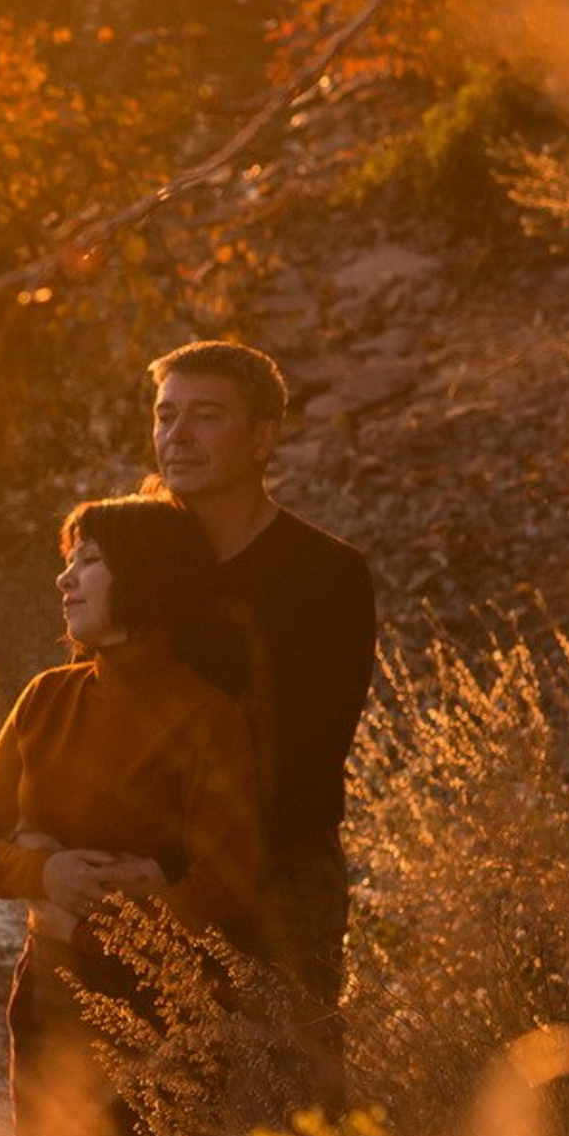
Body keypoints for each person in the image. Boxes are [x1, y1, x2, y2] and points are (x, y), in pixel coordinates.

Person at [0, 495, 262, 1136]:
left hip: (165, 1013)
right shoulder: (46, 699)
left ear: (146, 580)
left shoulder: (207, 717)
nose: (65, 577)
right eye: (68, 559)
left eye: (87, 560)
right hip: (49, 1002)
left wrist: (130, 897)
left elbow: (230, 880)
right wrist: (41, 871)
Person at [147, 340, 376, 1022]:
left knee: (284, 1109)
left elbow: (308, 758)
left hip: (279, 884)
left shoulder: (326, 575)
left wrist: (197, 880)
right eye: (165, 415)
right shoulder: (135, 564)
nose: (177, 436)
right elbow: (89, 718)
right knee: (138, 1118)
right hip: (142, 883)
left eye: (206, 416)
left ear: (262, 437)